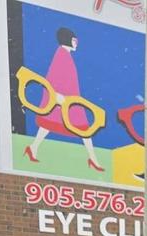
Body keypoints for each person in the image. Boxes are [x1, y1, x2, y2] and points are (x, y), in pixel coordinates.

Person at [22, 27, 104, 171]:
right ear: (67, 40)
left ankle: (33, 148)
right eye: (74, 40)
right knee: (84, 129)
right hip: (65, 101)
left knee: (49, 125)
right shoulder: (61, 55)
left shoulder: (64, 55)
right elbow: (52, 77)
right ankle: (93, 159)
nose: (76, 43)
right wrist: (57, 96)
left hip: (69, 100)